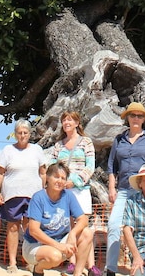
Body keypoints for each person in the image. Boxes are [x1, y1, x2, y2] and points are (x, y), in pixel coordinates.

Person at [105, 102, 145, 276]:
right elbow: (112, 167)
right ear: (127, 118)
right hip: (124, 189)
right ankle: (111, 268)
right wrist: (111, 188)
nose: (136, 119)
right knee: (114, 225)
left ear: (144, 119)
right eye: (133, 115)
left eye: (140, 116)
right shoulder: (119, 139)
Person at [45, 111, 100, 276]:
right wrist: (59, 183)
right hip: (63, 191)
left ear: (77, 123)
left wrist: (74, 181)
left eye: (70, 120)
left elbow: (90, 166)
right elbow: (52, 168)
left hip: (80, 189)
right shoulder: (58, 146)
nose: (66, 122)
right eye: (64, 120)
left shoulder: (86, 142)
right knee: (69, 226)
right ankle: (72, 262)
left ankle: (91, 265)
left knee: (84, 228)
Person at [22, 162, 94, 276]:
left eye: (63, 178)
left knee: (87, 233)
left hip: (60, 242)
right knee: (55, 256)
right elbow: (33, 230)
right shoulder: (38, 197)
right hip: (35, 244)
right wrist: (59, 246)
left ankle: (78, 273)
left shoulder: (68, 196)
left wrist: (73, 234)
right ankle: (38, 269)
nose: (59, 181)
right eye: (56, 177)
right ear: (48, 178)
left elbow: (83, 219)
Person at [0, 119, 46, 274]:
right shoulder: (8, 150)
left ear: (30, 134)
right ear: (15, 134)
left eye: (25, 132)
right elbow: (0, 173)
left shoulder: (37, 149)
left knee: (31, 228)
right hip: (12, 194)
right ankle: (12, 262)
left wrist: (43, 192)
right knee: (13, 227)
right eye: (19, 132)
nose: (22, 135)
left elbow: (43, 172)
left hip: (33, 195)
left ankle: (30, 261)